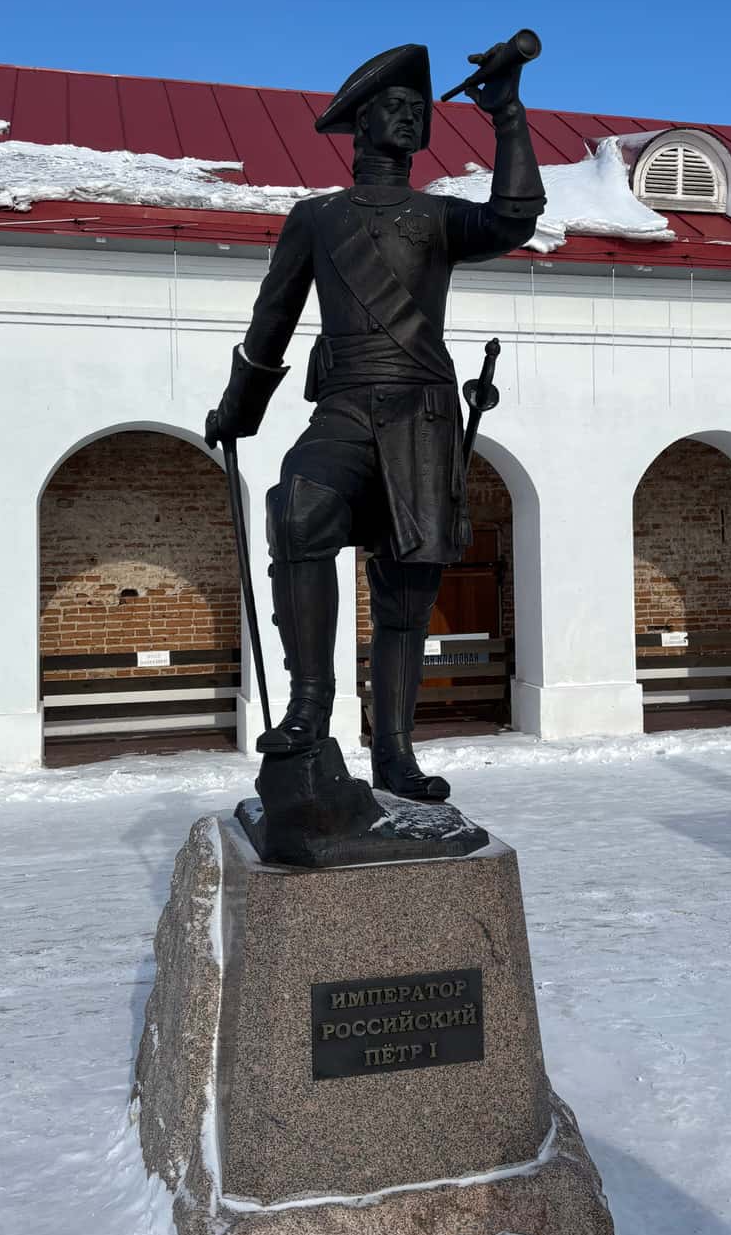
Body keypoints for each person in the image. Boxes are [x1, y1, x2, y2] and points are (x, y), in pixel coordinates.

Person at [212, 41, 545, 800]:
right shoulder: (317, 219)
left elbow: (515, 216)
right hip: (344, 406)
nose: (408, 114)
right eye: (391, 106)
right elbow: (271, 323)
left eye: (416, 108)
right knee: (297, 509)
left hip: (420, 414)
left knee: (404, 590)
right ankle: (308, 709)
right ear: (358, 124)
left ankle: (394, 752)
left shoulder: (437, 217)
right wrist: (238, 410)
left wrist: (508, 116)